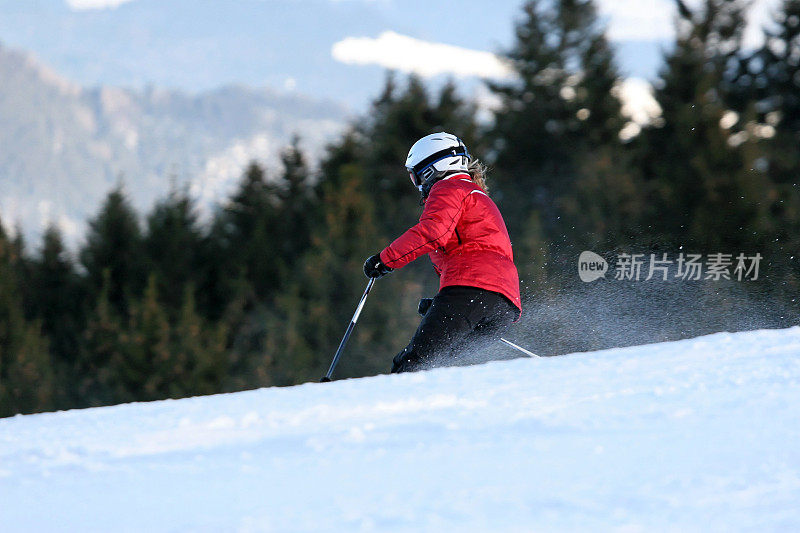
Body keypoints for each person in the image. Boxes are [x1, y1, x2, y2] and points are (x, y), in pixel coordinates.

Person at [363, 132, 522, 373]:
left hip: (472, 289)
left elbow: (432, 232)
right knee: (443, 370)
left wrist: (385, 260)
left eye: (415, 176)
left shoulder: (449, 187)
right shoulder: (478, 196)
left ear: (431, 168)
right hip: (503, 304)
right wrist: (443, 303)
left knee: (413, 364)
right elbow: (476, 253)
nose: (418, 185)